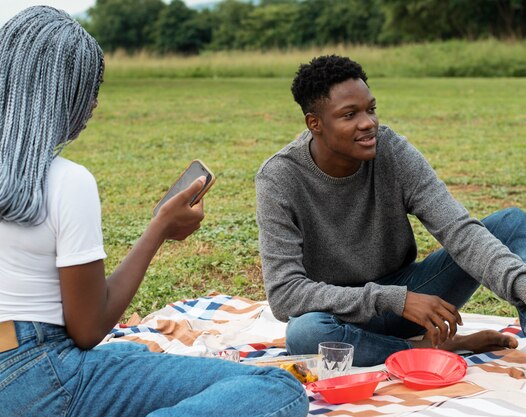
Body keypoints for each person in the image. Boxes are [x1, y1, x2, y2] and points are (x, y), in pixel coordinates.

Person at [0, 7, 309, 417]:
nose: (94, 103)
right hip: (39, 374)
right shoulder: (65, 181)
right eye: (89, 87)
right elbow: (88, 329)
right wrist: (158, 230)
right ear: (62, 92)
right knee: (276, 388)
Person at [255, 54, 526, 386]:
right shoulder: (279, 178)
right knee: (304, 334)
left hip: (415, 295)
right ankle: (433, 350)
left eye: (371, 109)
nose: (368, 123)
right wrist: (394, 299)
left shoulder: (392, 150)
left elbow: (459, 231)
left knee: (510, 222)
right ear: (314, 123)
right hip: (346, 317)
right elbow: (285, 295)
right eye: (350, 115)